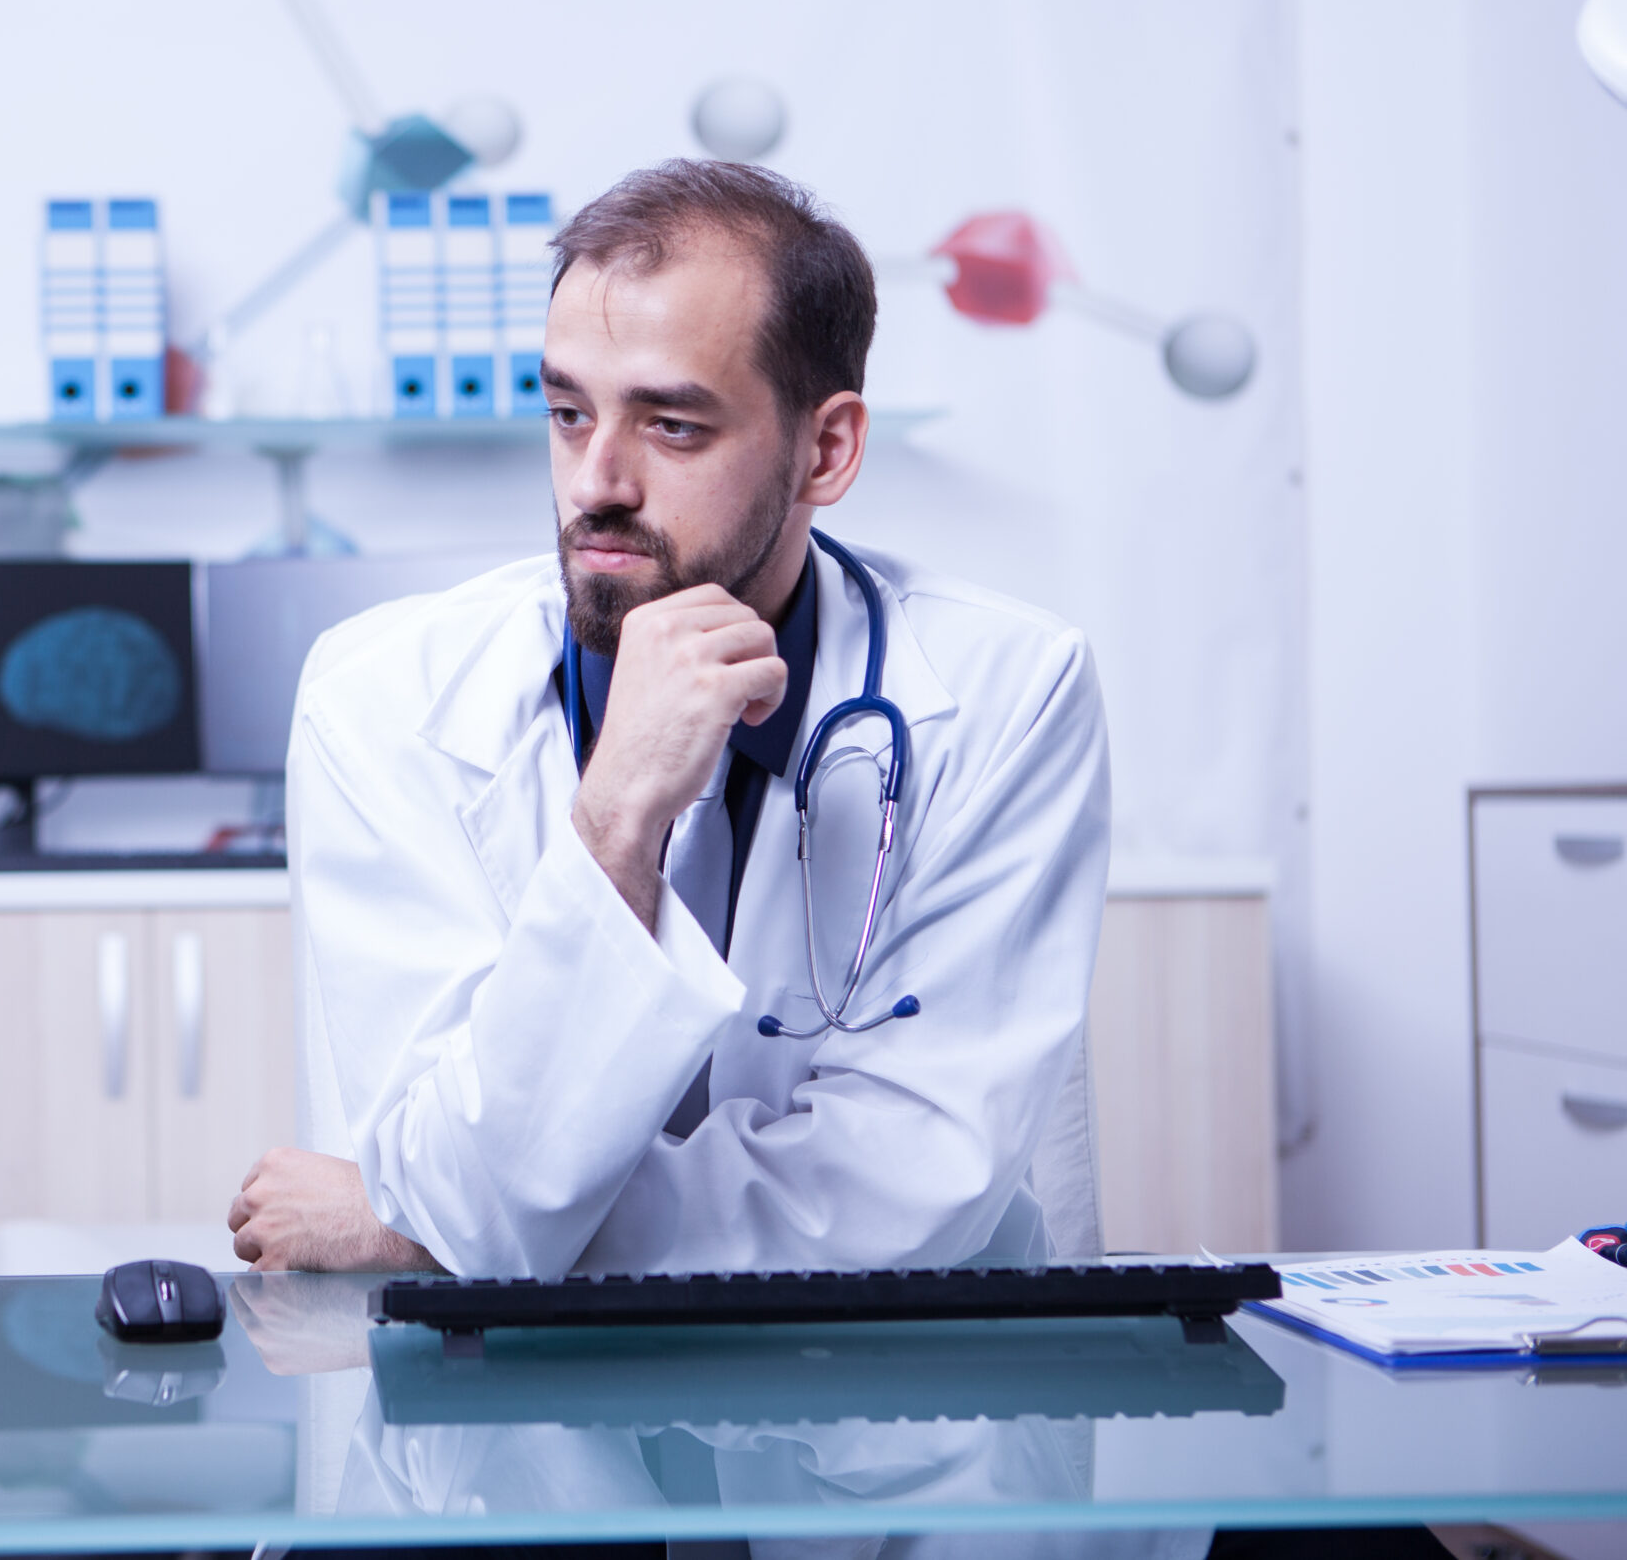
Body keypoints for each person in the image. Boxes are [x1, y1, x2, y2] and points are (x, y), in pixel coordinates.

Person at [228, 160, 1109, 1278]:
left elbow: (896, 1203)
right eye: (567, 413)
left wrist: (418, 1227)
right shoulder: (381, 696)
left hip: (889, 1380)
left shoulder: (1009, 694)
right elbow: (461, 1188)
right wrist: (616, 820)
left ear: (826, 449)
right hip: (499, 1388)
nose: (595, 482)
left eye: (673, 427)